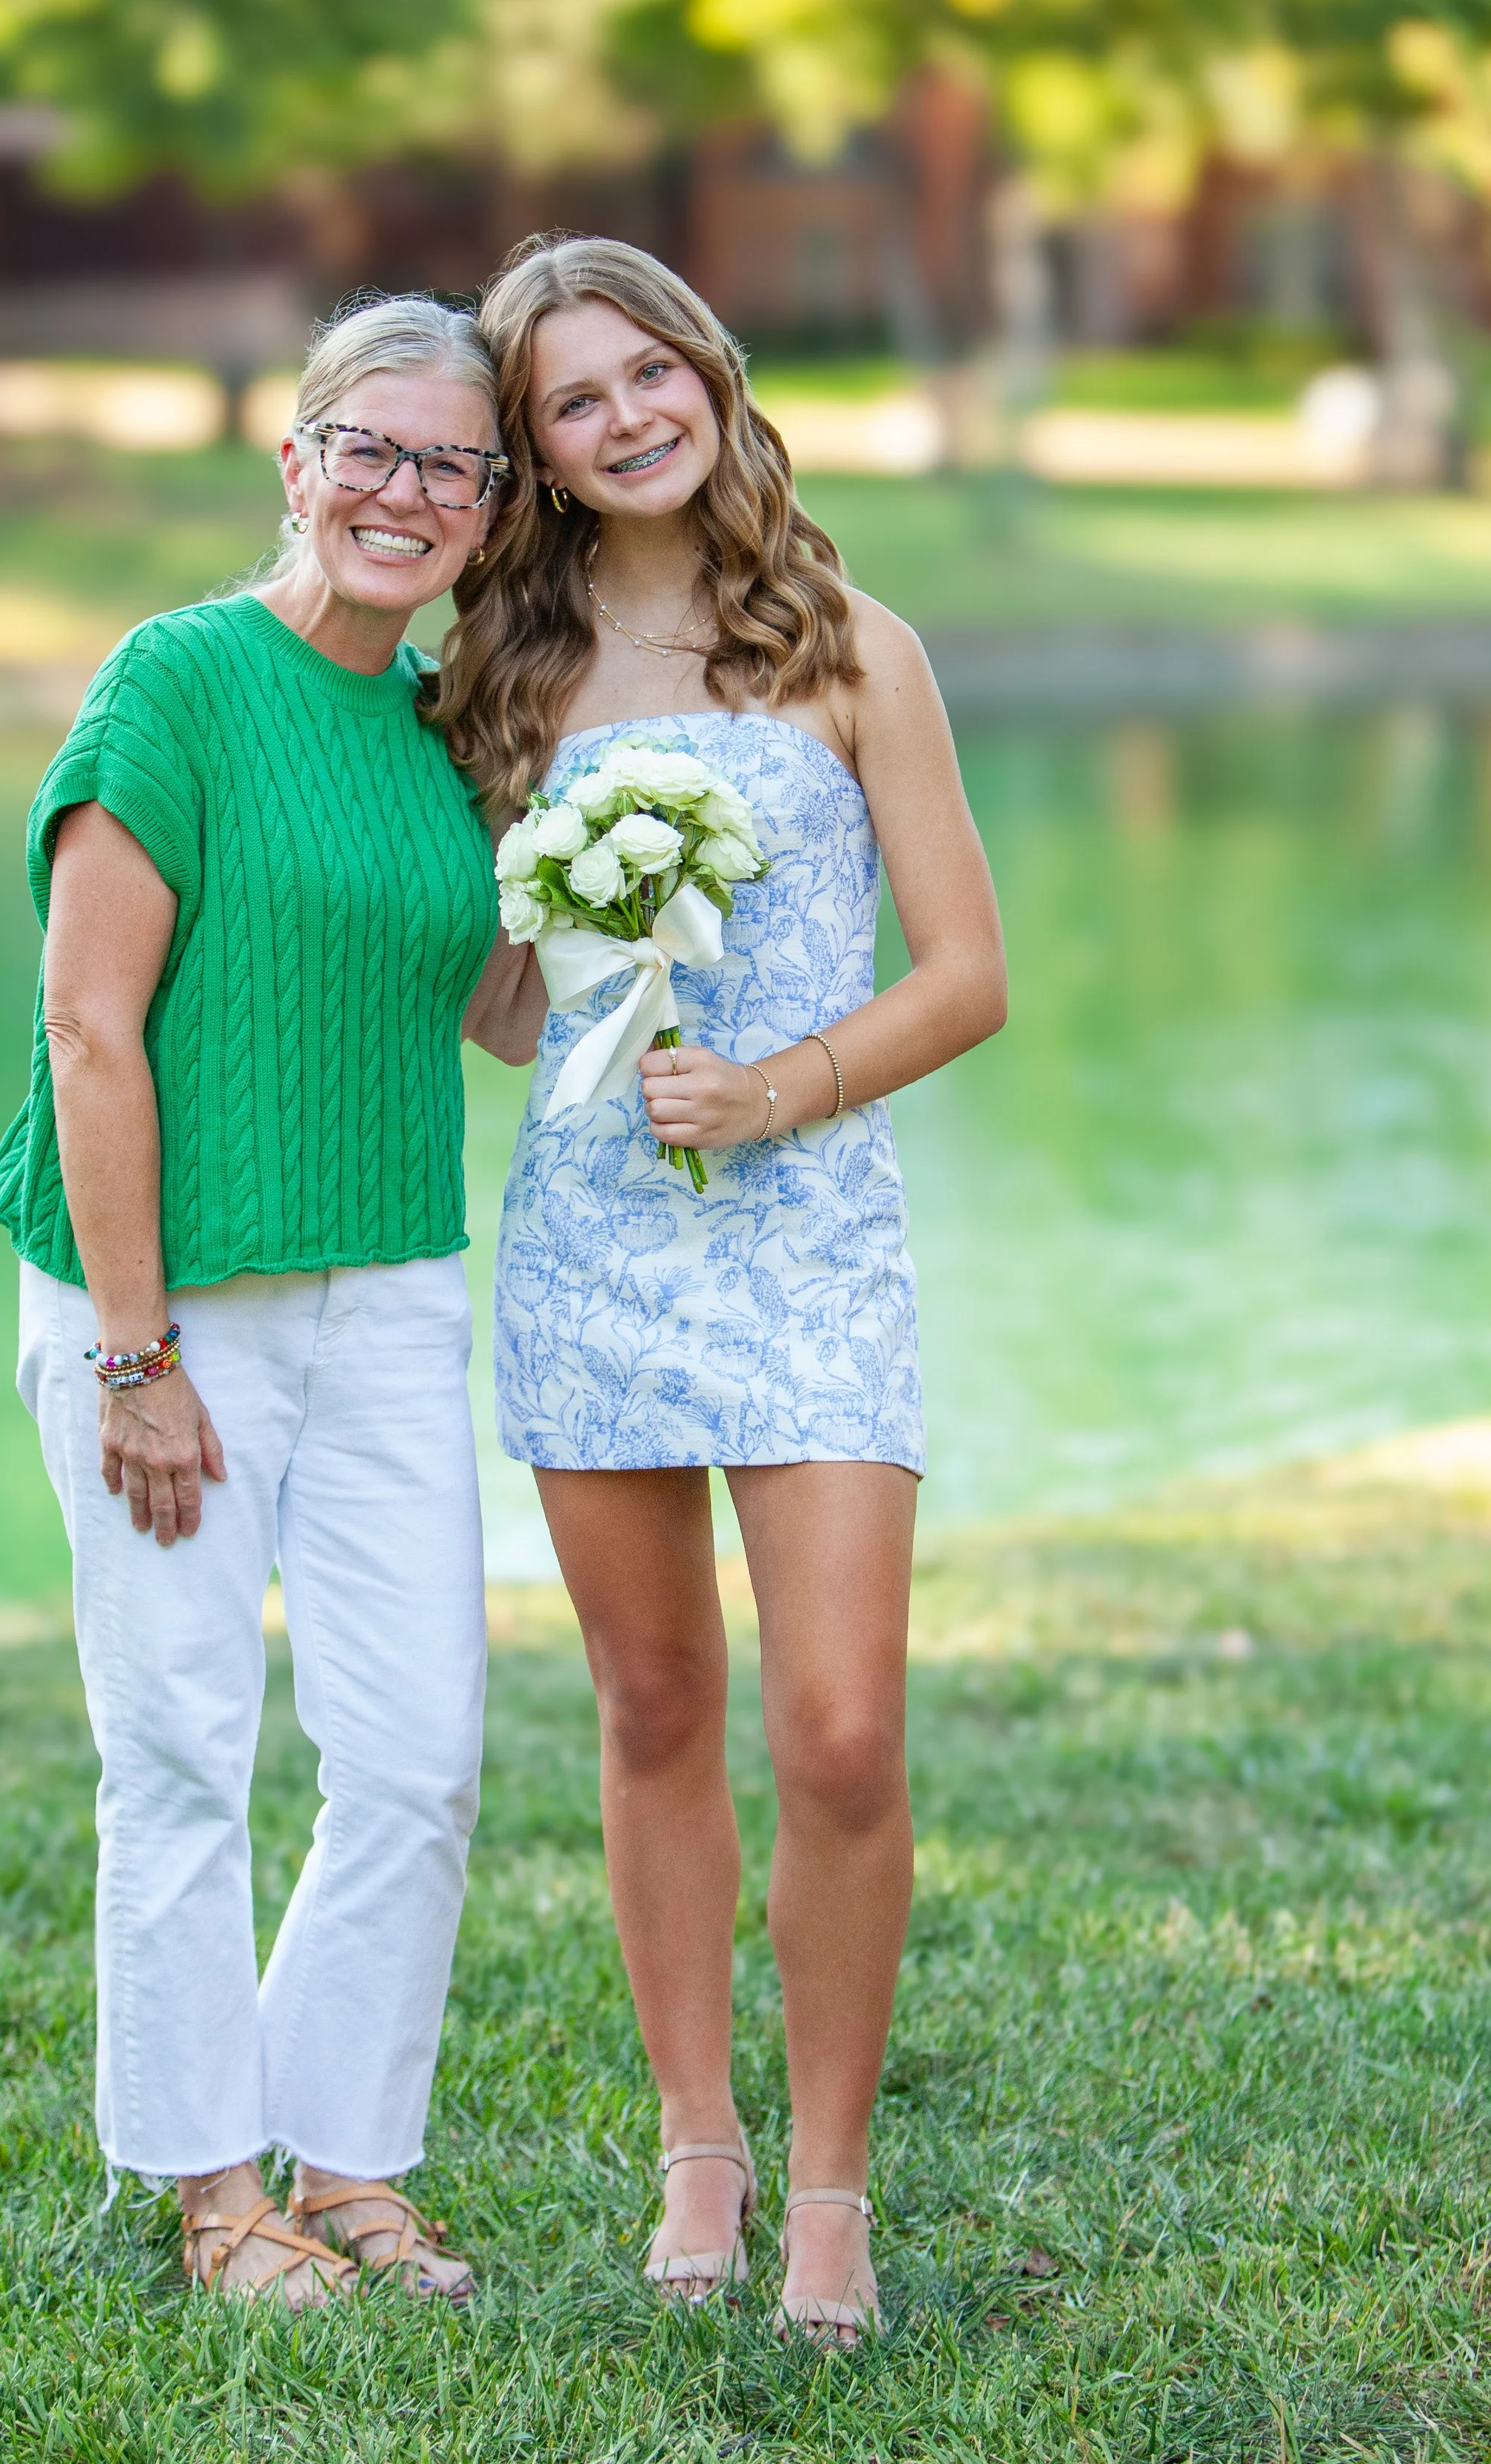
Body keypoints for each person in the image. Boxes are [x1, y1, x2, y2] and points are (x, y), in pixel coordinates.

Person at [442, 235, 1008, 2345]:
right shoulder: (497, 679)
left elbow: (968, 976)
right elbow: (503, 1020)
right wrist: (553, 917)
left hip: (811, 1238)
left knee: (842, 1730)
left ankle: (834, 2188)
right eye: (572, 401)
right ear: (539, 452)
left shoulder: (854, 643)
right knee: (654, 1705)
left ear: (707, 365)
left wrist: (776, 1083)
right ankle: (702, 2148)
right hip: (592, 1235)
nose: (625, 417)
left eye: (645, 369)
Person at [0, 294, 540, 2310]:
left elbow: (487, 1013)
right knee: (186, 1745)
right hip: (166, 1306)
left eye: (450, 467)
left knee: (414, 1752)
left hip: (389, 1288)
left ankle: (353, 2162)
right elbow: (86, 1021)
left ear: (489, 508)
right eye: (368, 450)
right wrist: (133, 1352)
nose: (404, 493)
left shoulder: (445, 726)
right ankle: (219, 2192)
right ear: (294, 460)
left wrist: (610, 893)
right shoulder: (178, 682)